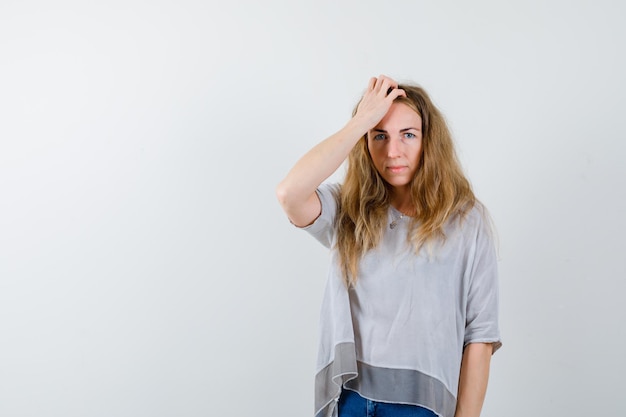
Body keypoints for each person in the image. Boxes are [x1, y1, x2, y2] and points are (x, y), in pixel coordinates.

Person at [276, 75, 501, 417]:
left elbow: (480, 337)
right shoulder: (349, 209)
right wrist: (362, 120)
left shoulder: (466, 220)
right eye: (379, 136)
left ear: (429, 140)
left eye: (408, 135)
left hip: (420, 406)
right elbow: (289, 194)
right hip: (350, 399)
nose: (392, 151)